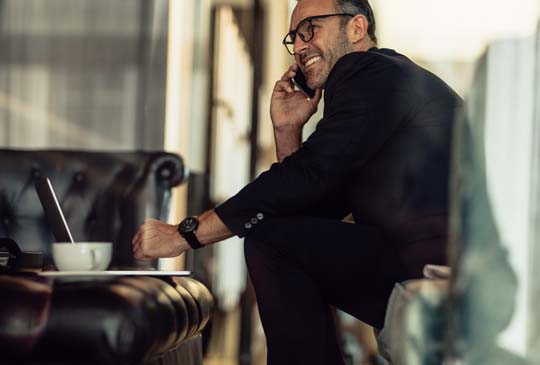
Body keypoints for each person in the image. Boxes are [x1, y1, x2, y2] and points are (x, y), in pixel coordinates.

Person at [132, 0, 462, 363]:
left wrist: (184, 234)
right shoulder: (383, 85)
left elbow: (307, 178)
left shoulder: (369, 70)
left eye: (311, 29)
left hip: (438, 267)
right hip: (420, 260)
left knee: (271, 241)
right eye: (294, 37)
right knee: (277, 236)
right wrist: (287, 130)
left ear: (356, 28)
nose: (301, 46)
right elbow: (310, 202)